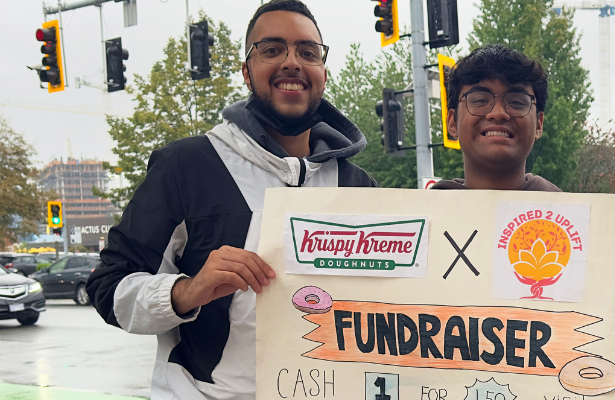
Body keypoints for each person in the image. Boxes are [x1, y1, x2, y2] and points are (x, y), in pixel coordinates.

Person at [86, 1, 376, 398]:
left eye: (308, 52)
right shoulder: (186, 166)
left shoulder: (359, 187)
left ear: (323, 73)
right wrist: (187, 292)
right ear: (246, 71)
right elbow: (108, 288)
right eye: (272, 49)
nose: (292, 62)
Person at [430, 44, 560, 192]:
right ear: (452, 122)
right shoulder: (421, 211)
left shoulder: (575, 212)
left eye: (516, 102)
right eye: (480, 100)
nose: (498, 113)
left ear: (538, 124)